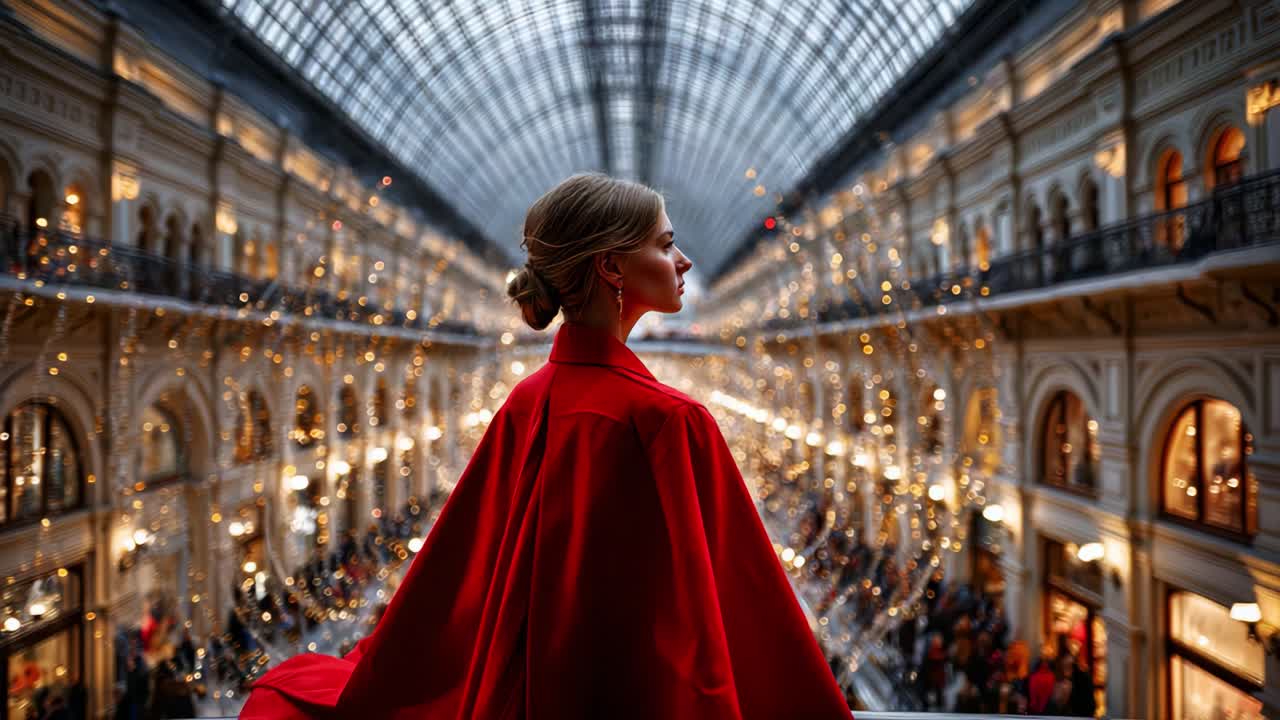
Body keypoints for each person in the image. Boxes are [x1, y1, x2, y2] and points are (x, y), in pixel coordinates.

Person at [240, 173, 853, 719]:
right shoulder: (669, 420)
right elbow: (738, 616)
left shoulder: (527, 400)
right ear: (611, 268)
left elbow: (456, 577)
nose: (685, 261)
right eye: (665, 246)